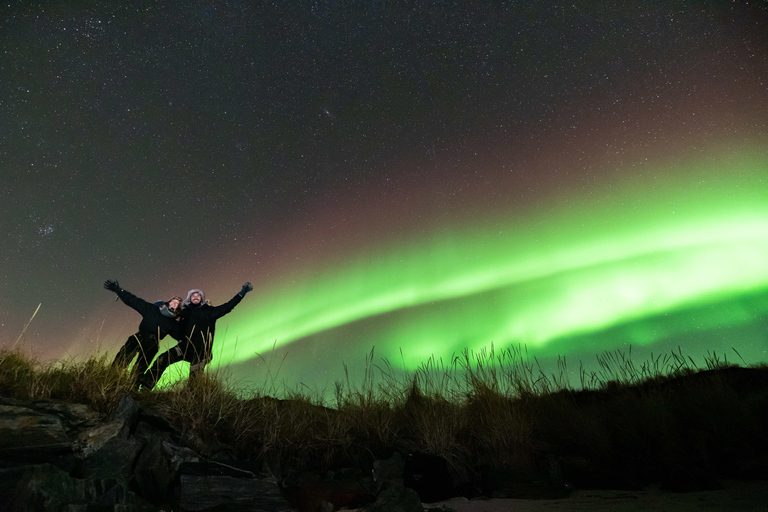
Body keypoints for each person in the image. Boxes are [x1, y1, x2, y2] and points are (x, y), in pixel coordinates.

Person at [140, 282, 253, 389]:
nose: (195, 296)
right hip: (184, 347)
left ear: (201, 298)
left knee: (194, 381)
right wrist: (162, 304)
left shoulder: (210, 311)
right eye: (193, 295)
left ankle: (192, 398)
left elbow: (228, 306)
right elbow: (171, 311)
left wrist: (241, 294)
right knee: (162, 359)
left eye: (198, 295)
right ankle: (146, 386)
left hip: (200, 351)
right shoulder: (184, 311)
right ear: (189, 298)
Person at [104, 279, 184, 383]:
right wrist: (118, 290)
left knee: (140, 369)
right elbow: (133, 301)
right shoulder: (152, 309)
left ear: (178, 308)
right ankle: (109, 381)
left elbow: (180, 335)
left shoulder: (173, 322)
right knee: (121, 360)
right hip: (139, 337)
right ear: (169, 302)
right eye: (173, 301)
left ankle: (132, 388)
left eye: (177, 304)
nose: (174, 304)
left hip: (152, 344)